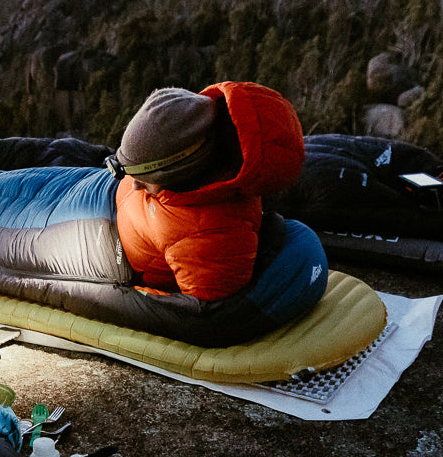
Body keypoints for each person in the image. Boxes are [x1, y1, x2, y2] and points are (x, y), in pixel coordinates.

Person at [108, 82, 305, 300]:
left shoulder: (213, 237)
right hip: (104, 201)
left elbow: (196, 314)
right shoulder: (197, 174)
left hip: (106, 249)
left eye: (143, 179)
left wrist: (115, 293)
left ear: (181, 173)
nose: (135, 185)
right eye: (128, 173)